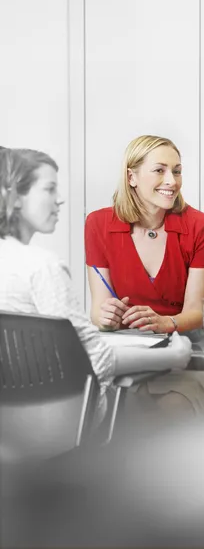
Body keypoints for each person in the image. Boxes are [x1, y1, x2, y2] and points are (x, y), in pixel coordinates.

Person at [0, 146, 192, 458]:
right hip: (60, 423)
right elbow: (96, 361)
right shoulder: (42, 266)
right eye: (49, 189)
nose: (60, 199)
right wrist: (174, 356)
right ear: (15, 198)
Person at [85, 135, 204, 416]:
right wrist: (106, 316)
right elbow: (97, 309)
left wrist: (165, 322)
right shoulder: (98, 224)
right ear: (132, 177)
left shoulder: (200, 226)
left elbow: (197, 312)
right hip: (131, 358)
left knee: (162, 413)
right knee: (113, 412)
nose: (172, 181)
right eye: (160, 170)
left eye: (177, 171)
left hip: (191, 357)